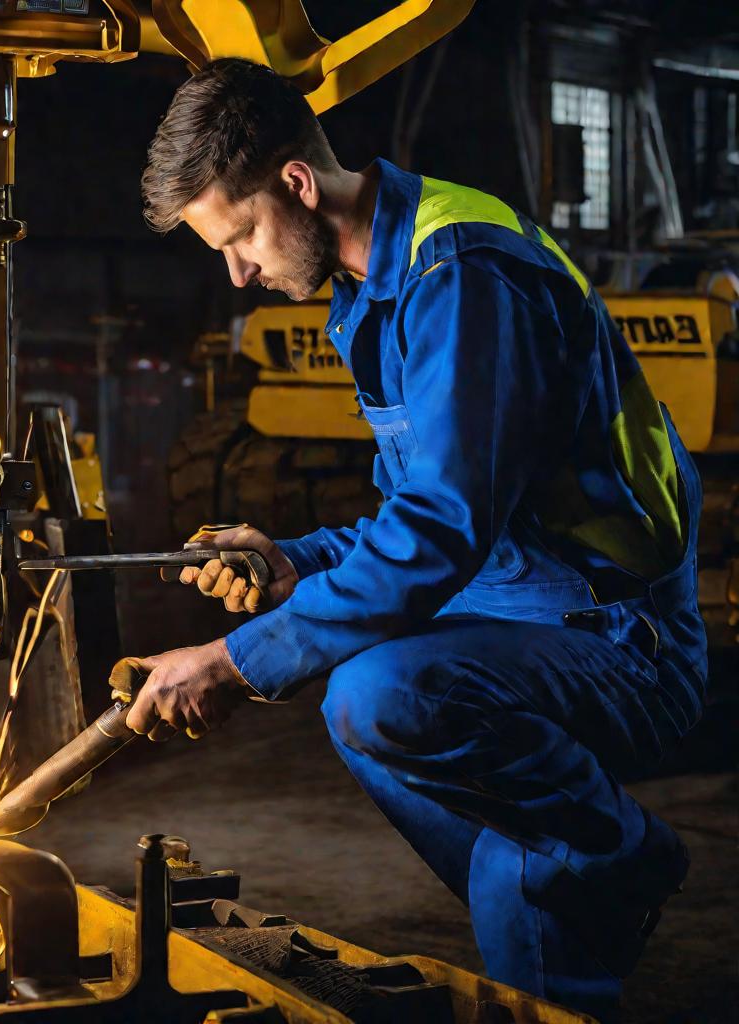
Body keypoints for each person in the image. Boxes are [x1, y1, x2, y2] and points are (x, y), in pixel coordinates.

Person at [123, 57, 706, 1021]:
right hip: (522, 602)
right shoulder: (375, 288)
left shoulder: (461, 276)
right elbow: (422, 514)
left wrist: (233, 661)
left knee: (387, 693)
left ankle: (607, 861)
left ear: (298, 185)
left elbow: (440, 535)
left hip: (620, 637)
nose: (237, 273)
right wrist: (293, 562)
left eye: (240, 238)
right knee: (383, 718)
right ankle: (579, 895)